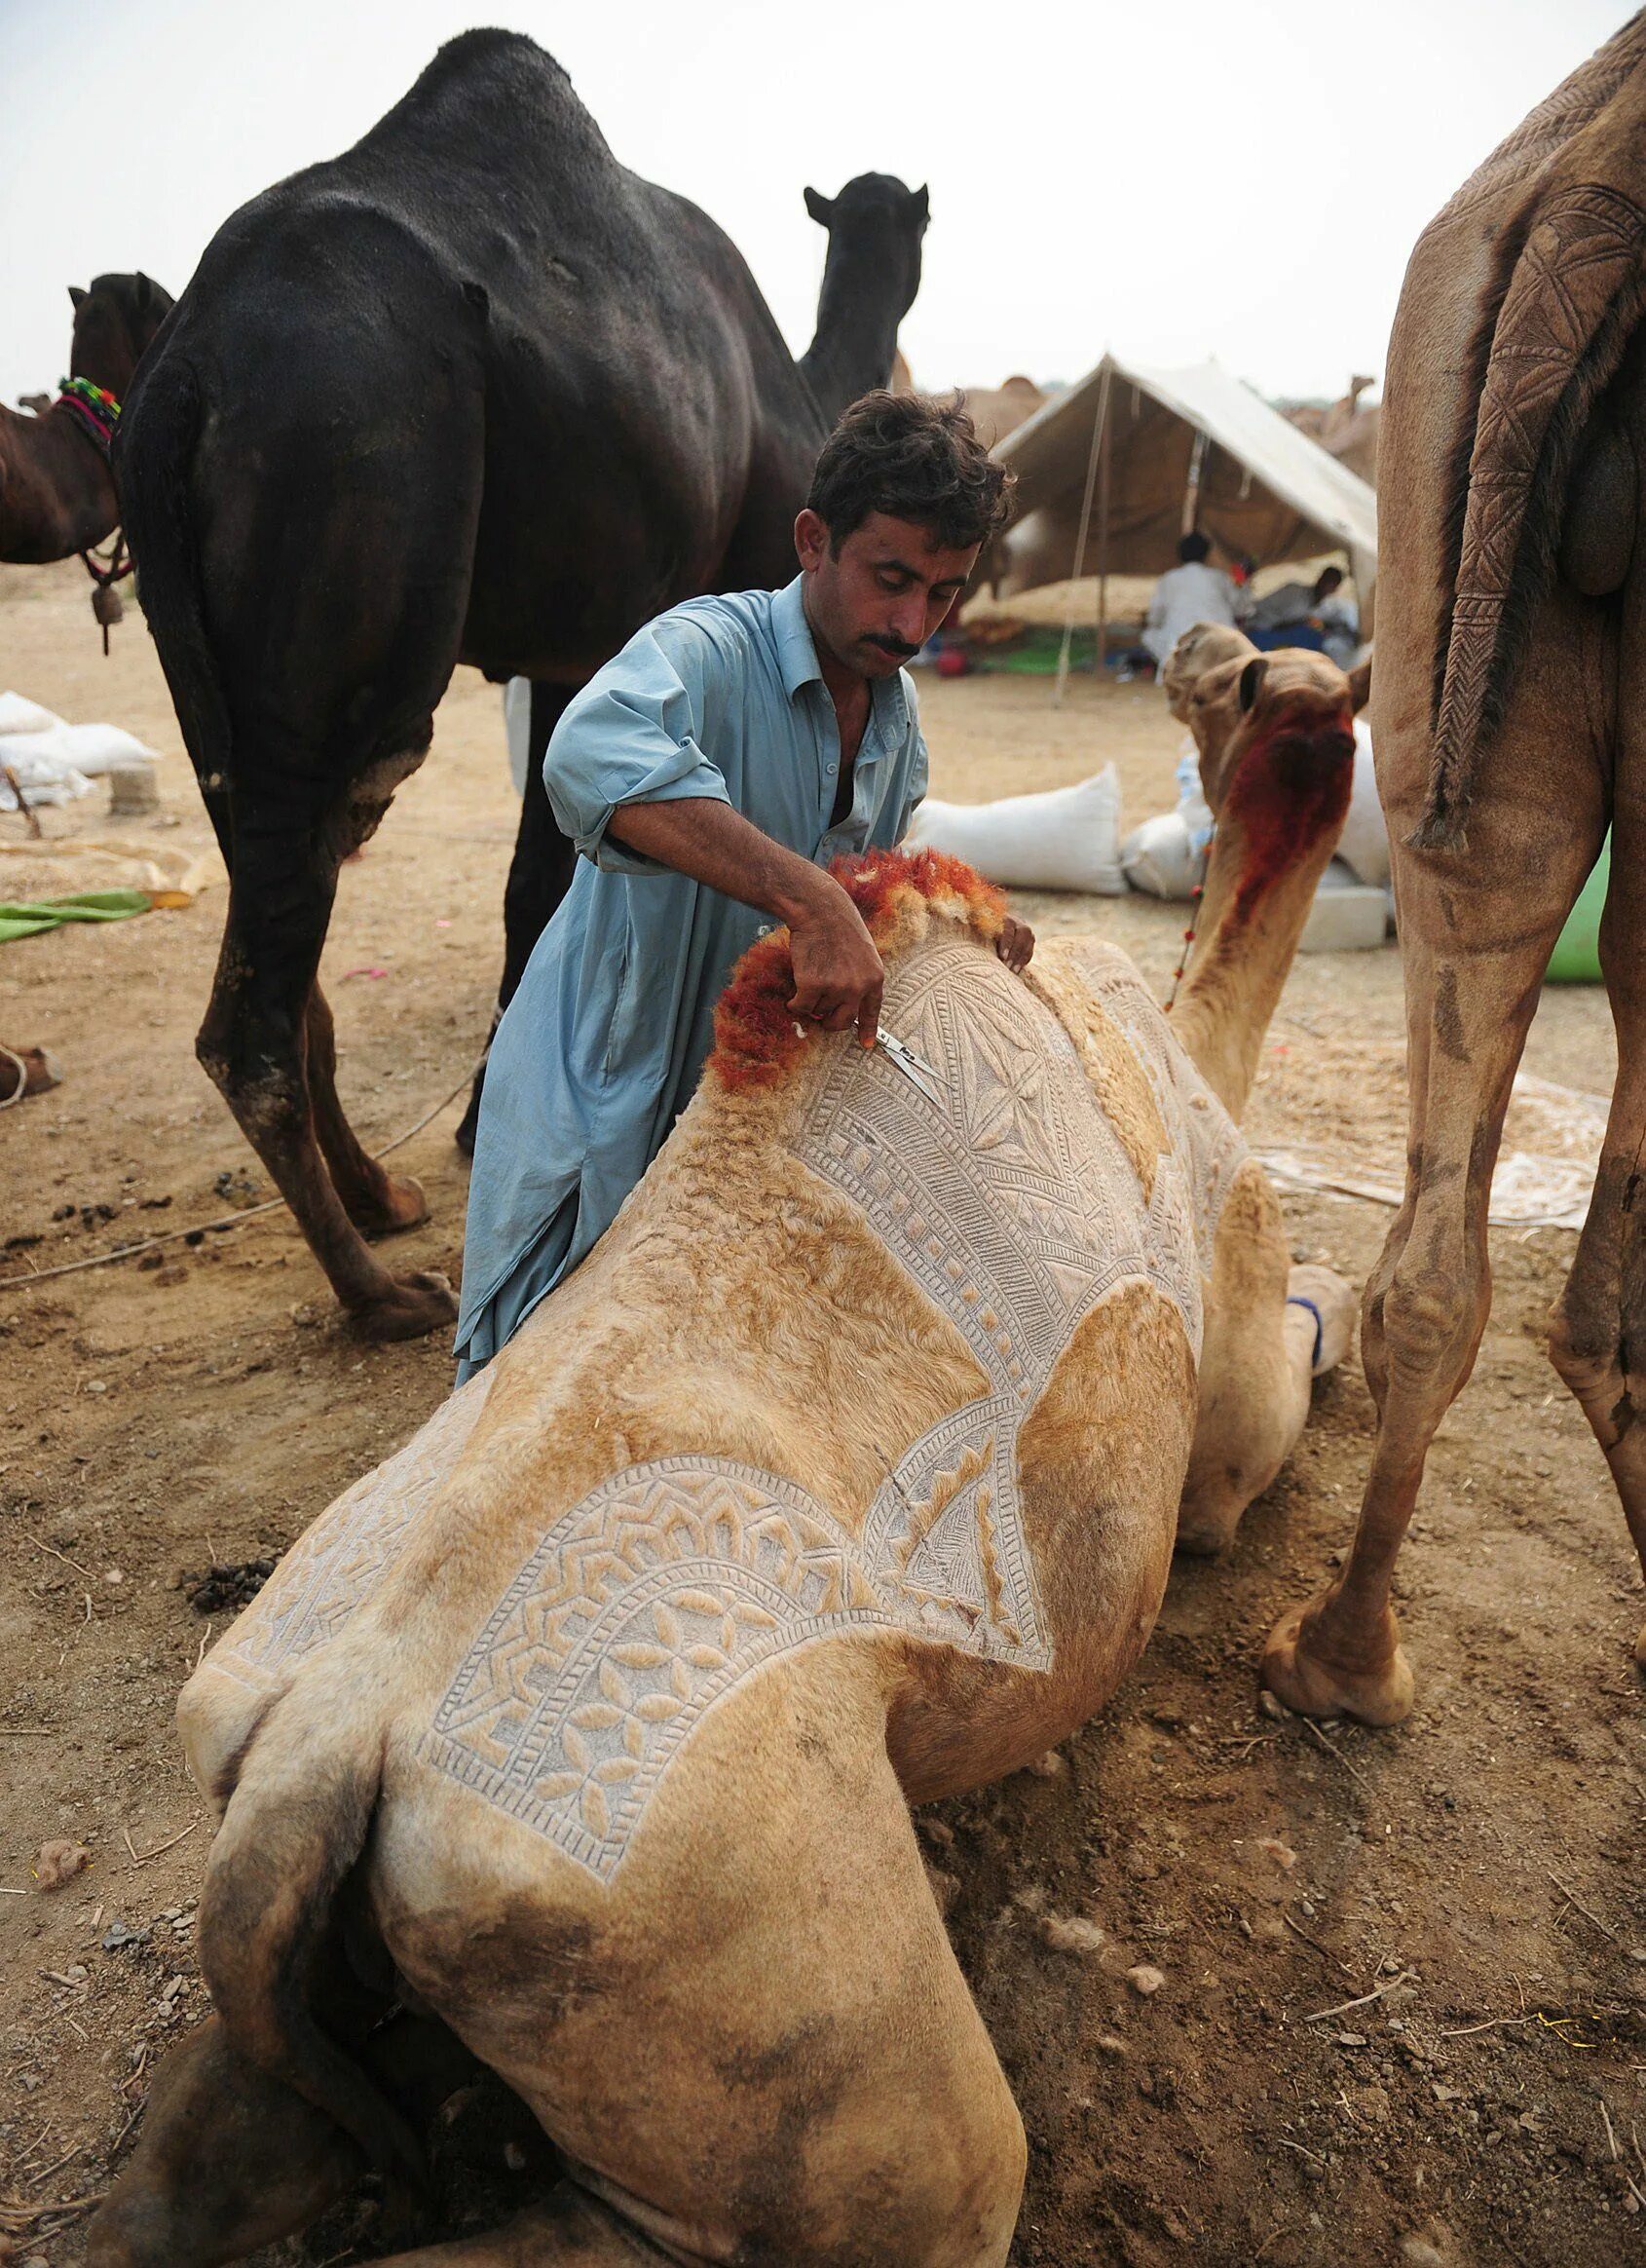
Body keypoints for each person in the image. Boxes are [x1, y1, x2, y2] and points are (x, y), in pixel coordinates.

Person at [456, 393, 1032, 1379]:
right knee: (533, 1395)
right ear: (813, 540)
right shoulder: (707, 648)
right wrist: (805, 898)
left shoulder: (897, 724)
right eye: (890, 578)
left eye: (942, 593)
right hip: (605, 1091)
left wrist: (950, 933)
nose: (910, 624)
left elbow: (863, 891)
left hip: (728, 1110)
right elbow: (586, 753)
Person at [1140, 532, 1239, 674]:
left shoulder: (1169, 579)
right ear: (1206, 554)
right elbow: (1241, 608)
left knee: (1149, 635)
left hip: (1180, 644)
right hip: (1218, 640)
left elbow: (1155, 617)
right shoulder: (1220, 577)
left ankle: (1169, 668)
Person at [1243, 563, 1353, 655]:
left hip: (1283, 641)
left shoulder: (1327, 607)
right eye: (1326, 580)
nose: (1326, 585)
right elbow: (1260, 606)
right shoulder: (1293, 591)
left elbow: (1329, 623)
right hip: (1260, 631)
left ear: (1335, 589)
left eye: (1331, 584)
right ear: (1319, 578)